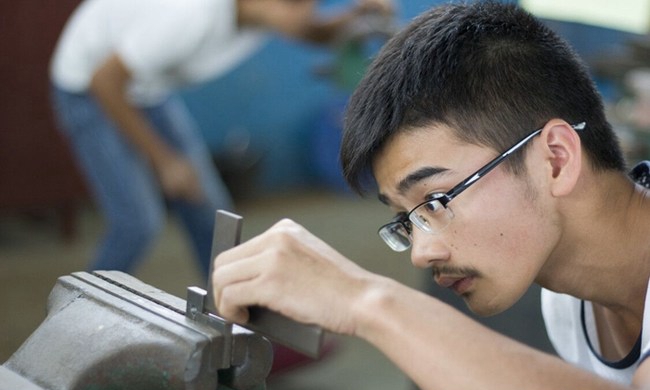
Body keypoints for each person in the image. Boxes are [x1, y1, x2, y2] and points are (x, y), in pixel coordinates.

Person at [211, 1, 650, 388]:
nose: (421, 253)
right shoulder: (568, 302)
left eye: (436, 200)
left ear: (555, 159)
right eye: (408, 219)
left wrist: (366, 301)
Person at [50, 0, 392, 276]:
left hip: (145, 86)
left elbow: (306, 29)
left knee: (212, 214)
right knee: (137, 222)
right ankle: (71, 323)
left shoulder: (261, 10)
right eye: (295, 3)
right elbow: (105, 81)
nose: (305, 12)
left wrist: (355, 16)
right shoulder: (190, 15)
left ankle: (230, 325)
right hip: (88, 86)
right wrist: (165, 161)